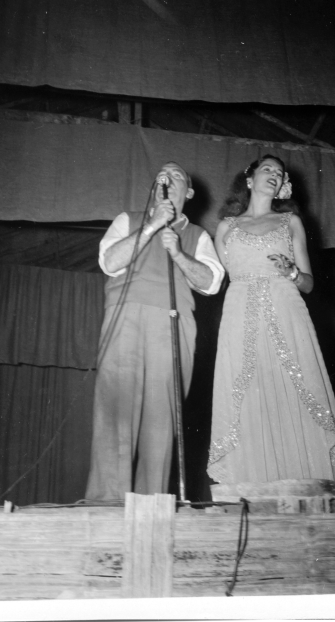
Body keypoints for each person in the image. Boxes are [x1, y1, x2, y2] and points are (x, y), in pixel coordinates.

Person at [207, 155, 335, 485]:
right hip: (239, 312)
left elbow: (309, 283)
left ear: (284, 183)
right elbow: (213, 279)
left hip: (286, 309)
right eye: (267, 169)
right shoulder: (226, 227)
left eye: (279, 172)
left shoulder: (290, 221)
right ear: (250, 179)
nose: (274, 174)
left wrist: (290, 271)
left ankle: (311, 483)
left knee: (297, 389)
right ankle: (251, 484)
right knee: (245, 395)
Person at [85, 161, 225, 500]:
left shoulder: (198, 236)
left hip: (172, 324)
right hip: (126, 320)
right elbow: (109, 261)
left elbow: (212, 282)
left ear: (189, 192)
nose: (167, 178)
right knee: (115, 414)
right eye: (161, 175)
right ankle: (106, 504)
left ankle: (152, 509)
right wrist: (149, 226)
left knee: (161, 422)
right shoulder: (127, 220)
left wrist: (177, 252)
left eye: (176, 175)